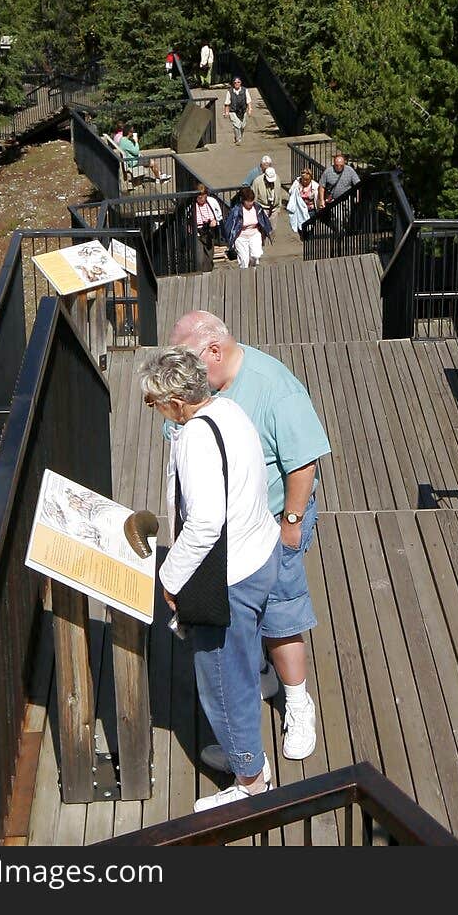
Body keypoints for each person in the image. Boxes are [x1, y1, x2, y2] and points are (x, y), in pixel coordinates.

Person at [169, 310, 331, 765]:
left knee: (282, 612)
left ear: (215, 351)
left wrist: (292, 525)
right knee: (241, 615)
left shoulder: (274, 388)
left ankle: (297, 702)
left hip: (275, 519)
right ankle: (260, 676)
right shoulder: (210, 386)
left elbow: (303, 463)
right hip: (227, 534)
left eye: (191, 363)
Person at [139, 347, 280, 810]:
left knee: (223, 680)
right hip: (259, 555)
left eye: (154, 402)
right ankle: (246, 752)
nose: (154, 410)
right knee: (241, 664)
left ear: (176, 403)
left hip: (228, 577)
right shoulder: (230, 408)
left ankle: (251, 779)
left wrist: (171, 578)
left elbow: (204, 524)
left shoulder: (196, 439)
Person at [223, 186, 272, 268]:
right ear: (243, 200)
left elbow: (264, 220)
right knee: (244, 260)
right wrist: (229, 240)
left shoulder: (257, 208)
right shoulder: (236, 210)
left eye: (252, 201)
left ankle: (253, 271)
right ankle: (245, 276)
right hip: (241, 236)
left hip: (254, 234)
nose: (250, 203)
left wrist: (267, 231)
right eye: (248, 201)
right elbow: (229, 225)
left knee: (256, 255)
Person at [194, 184, 223, 273]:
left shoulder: (212, 202)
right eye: (198, 195)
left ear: (206, 195)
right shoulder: (192, 204)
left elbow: (219, 215)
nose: (200, 197)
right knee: (199, 258)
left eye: (202, 195)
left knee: (209, 256)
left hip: (209, 233)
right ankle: (201, 274)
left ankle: (208, 274)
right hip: (197, 233)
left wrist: (215, 221)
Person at [286, 168, 320, 234]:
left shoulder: (315, 186)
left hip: (310, 210)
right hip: (299, 210)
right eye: (303, 179)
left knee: (309, 228)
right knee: (301, 228)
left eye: (307, 180)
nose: (305, 181)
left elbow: (317, 199)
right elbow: (290, 192)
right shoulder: (297, 183)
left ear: (311, 179)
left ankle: (309, 240)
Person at [252, 163, 282, 233]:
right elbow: (254, 196)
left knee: (272, 229)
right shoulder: (257, 181)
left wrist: (279, 207)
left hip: (274, 208)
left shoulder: (277, 178)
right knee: (263, 229)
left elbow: (279, 192)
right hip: (262, 208)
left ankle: (270, 243)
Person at [224, 76, 252, 144]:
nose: (237, 84)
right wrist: (226, 112)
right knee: (237, 125)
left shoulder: (245, 90)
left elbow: (248, 101)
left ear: (241, 83)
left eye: (238, 82)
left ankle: (239, 137)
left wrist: (250, 109)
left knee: (242, 126)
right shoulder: (230, 91)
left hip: (243, 110)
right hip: (233, 111)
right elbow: (227, 103)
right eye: (235, 82)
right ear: (233, 83)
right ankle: (238, 139)